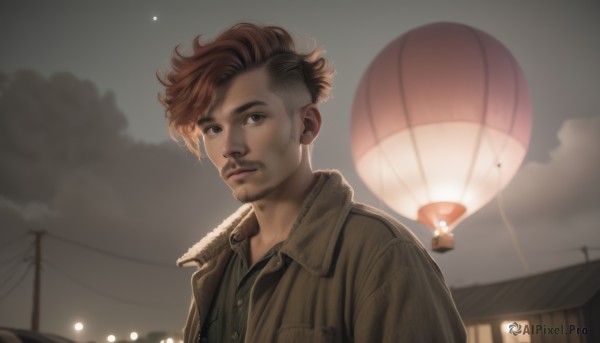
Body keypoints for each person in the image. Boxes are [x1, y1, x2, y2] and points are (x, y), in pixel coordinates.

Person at [158, 22, 466, 343]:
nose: (229, 147)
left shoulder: (383, 253)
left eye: (253, 118)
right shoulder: (215, 269)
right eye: (212, 129)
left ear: (307, 124)